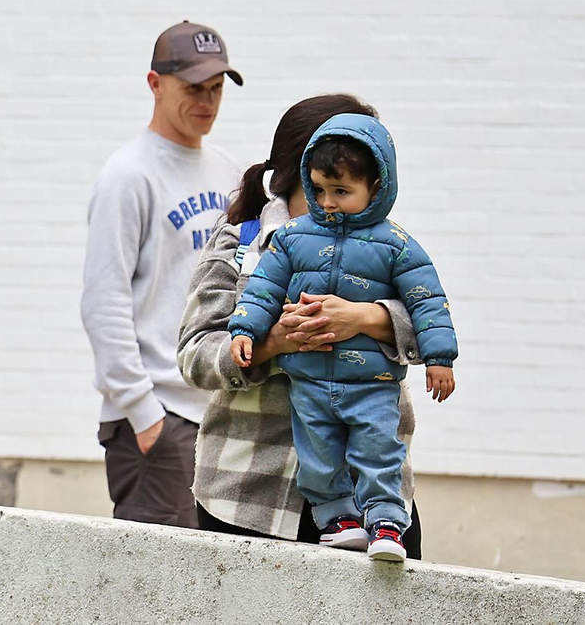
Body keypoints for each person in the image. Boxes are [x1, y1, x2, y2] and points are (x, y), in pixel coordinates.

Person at [178, 94, 433, 557]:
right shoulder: (242, 242)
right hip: (248, 497)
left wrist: (368, 318)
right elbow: (195, 354)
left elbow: (434, 324)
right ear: (307, 170)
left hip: (374, 506)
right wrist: (274, 343)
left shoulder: (390, 246)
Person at [80, 20, 246, 527]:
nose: (208, 102)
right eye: (194, 88)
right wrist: (143, 415)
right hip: (159, 419)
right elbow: (103, 302)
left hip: (221, 414)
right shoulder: (128, 175)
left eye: (217, 89)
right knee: (154, 597)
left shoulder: (229, 172)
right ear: (155, 84)